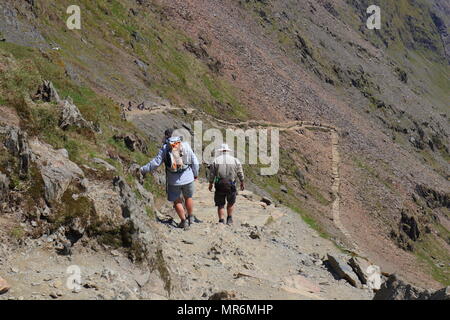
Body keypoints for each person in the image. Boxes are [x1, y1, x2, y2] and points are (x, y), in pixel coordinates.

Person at [140, 135, 200, 230]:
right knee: (188, 197)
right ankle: (191, 217)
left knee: (177, 201)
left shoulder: (165, 148)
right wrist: (195, 174)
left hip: (173, 180)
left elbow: (155, 163)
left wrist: (143, 169)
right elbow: (195, 162)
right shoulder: (186, 146)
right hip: (188, 177)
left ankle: (184, 221)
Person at [208, 144, 245, 225]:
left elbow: (212, 174)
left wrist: (210, 183)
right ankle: (229, 218)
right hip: (231, 184)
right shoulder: (235, 160)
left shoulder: (215, 160)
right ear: (228, 151)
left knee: (220, 204)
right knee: (231, 202)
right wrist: (242, 182)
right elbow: (240, 172)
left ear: (221, 151)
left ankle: (221, 220)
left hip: (219, 184)